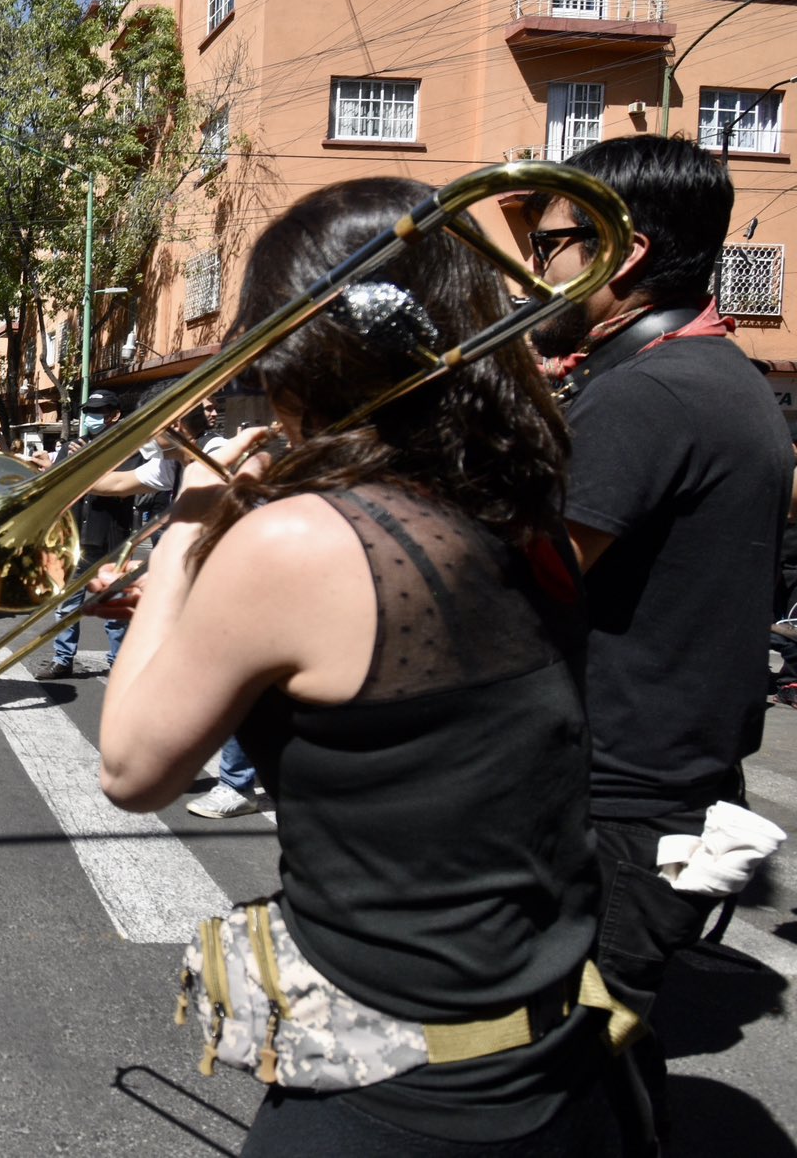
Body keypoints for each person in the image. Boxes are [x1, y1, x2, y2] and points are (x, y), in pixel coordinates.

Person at [96, 178, 616, 1153]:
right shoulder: (515, 509)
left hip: (391, 1097)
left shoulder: (300, 540)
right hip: (548, 1064)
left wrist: (183, 537)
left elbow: (130, 767)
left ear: (309, 352)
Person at [530, 134, 792, 1151]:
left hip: (618, 805)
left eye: (547, 240)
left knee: (559, 1082)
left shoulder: (645, 395)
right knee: (602, 1062)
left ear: (620, 255)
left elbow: (514, 589)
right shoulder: (710, 374)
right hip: (667, 793)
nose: (531, 265)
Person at [32, 389, 136, 683]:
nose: (90, 417)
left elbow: (123, 488)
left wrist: (87, 462)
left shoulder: (128, 448)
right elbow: (57, 487)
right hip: (74, 541)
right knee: (66, 606)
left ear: (114, 416)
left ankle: (118, 663)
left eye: (98, 412)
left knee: (114, 609)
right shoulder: (71, 447)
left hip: (110, 542)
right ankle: (62, 660)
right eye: (88, 411)